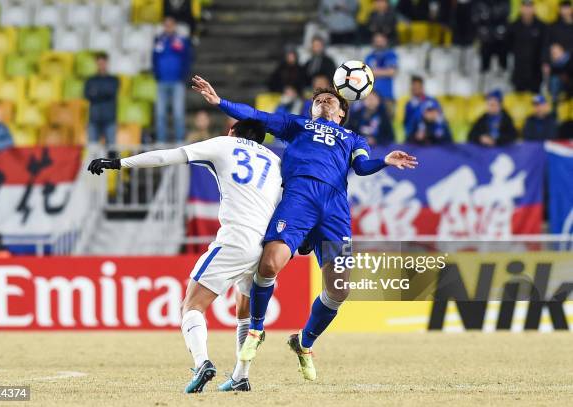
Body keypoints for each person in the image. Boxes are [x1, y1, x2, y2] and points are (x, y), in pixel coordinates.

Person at [191, 75, 416, 381]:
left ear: (341, 113)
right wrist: (220, 103)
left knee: (339, 290)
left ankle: (304, 342)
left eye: (330, 101)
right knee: (269, 263)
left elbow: (362, 167)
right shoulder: (297, 125)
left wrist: (385, 161)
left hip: (335, 210)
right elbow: (256, 116)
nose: (323, 103)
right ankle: (257, 328)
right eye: (318, 101)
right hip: (298, 199)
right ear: (312, 110)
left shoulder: (353, 139)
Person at [88, 119, 281, 393]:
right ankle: (240, 376)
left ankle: (202, 363)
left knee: (191, 306)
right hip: (267, 246)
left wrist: (120, 163)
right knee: (244, 312)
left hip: (236, 240)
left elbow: (169, 156)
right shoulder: (274, 160)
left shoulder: (224, 144)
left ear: (233, 132)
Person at [153, 16, 193, 143]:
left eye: (170, 24)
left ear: (174, 26)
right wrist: (157, 75)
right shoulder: (159, 40)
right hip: (162, 81)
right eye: (166, 24)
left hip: (177, 82)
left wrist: (183, 76)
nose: (168, 27)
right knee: (160, 114)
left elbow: (187, 59)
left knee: (178, 114)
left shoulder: (181, 40)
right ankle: (160, 141)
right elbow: (154, 59)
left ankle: (179, 141)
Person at [509, 0, 545, 93]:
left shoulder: (542, 26)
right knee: (519, 97)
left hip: (535, 70)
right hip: (519, 70)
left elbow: (544, 46)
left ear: (534, 9)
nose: (527, 10)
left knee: (536, 99)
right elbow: (509, 46)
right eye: (525, 7)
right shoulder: (514, 26)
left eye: (529, 7)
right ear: (521, 9)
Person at [84, 53, 119, 145]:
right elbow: (87, 95)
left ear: (107, 63)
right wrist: (103, 92)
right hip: (94, 118)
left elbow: (111, 92)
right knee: (92, 148)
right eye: (99, 63)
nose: (101, 66)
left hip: (109, 118)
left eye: (103, 63)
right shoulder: (90, 80)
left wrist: (96, 93)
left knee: (111, 148)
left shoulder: (113, 80)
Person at [472, 0, 510, 73]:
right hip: (485, 38)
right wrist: (480, 30)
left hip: (501, 39)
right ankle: (484, 76)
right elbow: (475, 17)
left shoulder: (504, 2)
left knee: (502, 62)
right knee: (484, 63)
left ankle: (501, 74)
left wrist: (502, 29)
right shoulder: (480, 3)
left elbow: (507, 16)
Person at [364, 32, 398, 113]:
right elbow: (366, 74)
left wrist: (374, 72)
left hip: (387, 96)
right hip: (372, 96)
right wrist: (384, 71)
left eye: (381, 40)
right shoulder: (369, 56)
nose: (378, 43)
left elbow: (392, 72)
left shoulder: (391, 54)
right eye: (377, 41)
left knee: (388, 121)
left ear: (385, 41)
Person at [548, 43, 573, 110]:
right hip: (564, 88)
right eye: (552, 53)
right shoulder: (554, 65)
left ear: (561, 51)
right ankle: (554, 102)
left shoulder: (569, 60)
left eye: (555, 53)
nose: (553, 55)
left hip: (569, 86)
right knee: (554, 80)